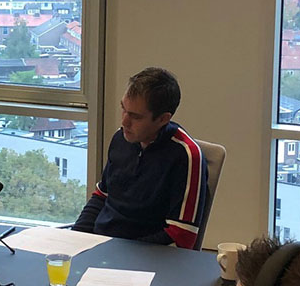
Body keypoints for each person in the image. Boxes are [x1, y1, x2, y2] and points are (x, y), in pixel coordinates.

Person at [72, 67, 208, 249]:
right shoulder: (121, 138)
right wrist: (74, 239)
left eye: (135, 117)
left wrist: (119, 252)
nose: (124, 122)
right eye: (124, 109)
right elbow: (101, 196)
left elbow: (182, 235)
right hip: (103, 246)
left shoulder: (186, 156)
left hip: (143, 258)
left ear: (162, 119)